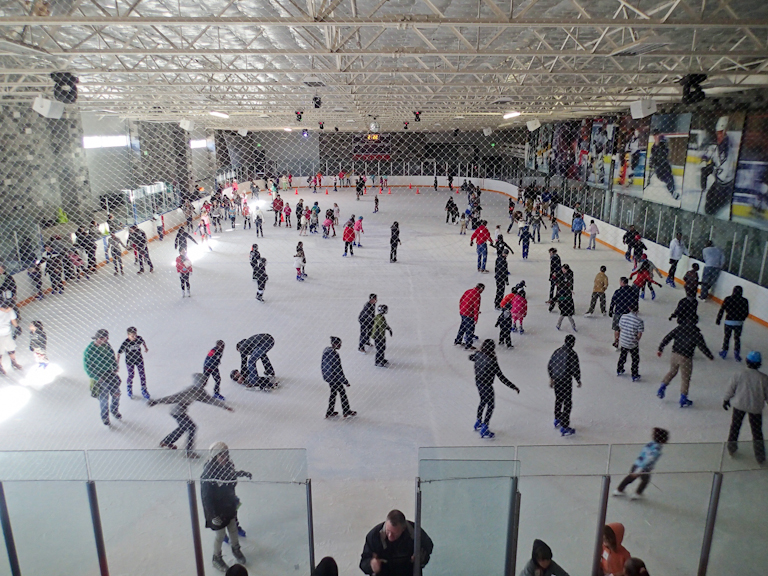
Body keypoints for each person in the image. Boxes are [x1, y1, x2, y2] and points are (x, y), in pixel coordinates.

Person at [149, 373, 233, 457]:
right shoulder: (189, 391)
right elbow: (172, 398)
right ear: (198, 382)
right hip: (176, 412)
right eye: (203, 382)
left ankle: (166, 442)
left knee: (183, 427)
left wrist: (224, 406)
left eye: (205, 382)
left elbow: (210, 400)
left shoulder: (200, 392)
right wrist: (156, 401)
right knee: (191, 427)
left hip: (181, 412)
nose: (205, 384)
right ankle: (188, 451)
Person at [201, 442, 251, 572]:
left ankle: (236, 548)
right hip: (217, 510)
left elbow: (231, 475)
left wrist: (242, 473)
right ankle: (216, 557)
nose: (224, 458)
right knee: (220, 534)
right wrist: (212, 515)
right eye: (221, 456)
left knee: (233, 529)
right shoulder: (208, 474)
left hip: (228, 506)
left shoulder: (228, 466)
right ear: (214, 457)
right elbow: (206, 498)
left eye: (226, 455)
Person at [656, 318, 714, 407]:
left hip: (674, 355)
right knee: (685, 378)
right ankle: (683, 398)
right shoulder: (696, 334)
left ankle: (662, 387)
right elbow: (703, 347)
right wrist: (710, 356)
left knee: (672, 371)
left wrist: (660, 348)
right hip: (686, 358)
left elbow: (668, 337)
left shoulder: (679, 328)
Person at [723, 351, 768, 464]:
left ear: (747, 361)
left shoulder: (739, 374)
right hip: (755, 408)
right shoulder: (763, 378)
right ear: (759, 364)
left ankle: (731, 448)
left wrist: (726, 399)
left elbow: (731, 388)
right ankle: (760, 457)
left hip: (739, 405)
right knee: (757, 432)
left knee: (735, 427)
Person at [470, 339, 520, 438]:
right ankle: (485, 426)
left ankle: (478, 421)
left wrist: (477, 354)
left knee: (482, 401)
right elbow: (501, 377)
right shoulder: (492, 361)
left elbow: (471, 357)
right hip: (487, 385)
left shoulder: (478, 355)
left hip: (479, 383)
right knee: (491, 405)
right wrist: (513, 386)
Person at [360, 509, 433, 576]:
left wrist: (421, 558)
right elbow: (363, 563)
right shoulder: (374, 536)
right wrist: (371, 565)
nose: (390, 536)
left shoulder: (415, 533)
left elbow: (428, 548)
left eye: (395, 533)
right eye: (388, 531)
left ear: (403, 529)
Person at [613, 428, 669, 499]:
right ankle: (637, 493)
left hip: (637, 463)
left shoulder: (651, 443)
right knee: (644, 481)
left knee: (630, 478)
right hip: (644, 468)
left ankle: (619, 489)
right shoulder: (657, 449)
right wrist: (640, 469)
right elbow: (648, 459)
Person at [83, 329, 121, 426]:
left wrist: (115, 366)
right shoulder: (89, 351)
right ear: (99, 338)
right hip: (99, 376)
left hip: (110, 373)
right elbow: (87, 367)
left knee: (116, 393)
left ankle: (114, 410)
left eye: (107, 338)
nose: (107, 340)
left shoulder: (107, 345)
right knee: (104, 399)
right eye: (104, 338)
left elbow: (112, 356)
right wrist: (95, 377)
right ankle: (105, 417)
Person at [548, 334, 582, 436]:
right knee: (567, 402)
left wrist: (552, 377)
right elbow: (575, 368)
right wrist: (578, 380)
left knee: (558, 399)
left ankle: (557, 418)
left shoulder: (557, 351)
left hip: (557, 379)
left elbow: (550, 364)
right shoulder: (572, 354)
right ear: (573, 343)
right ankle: (564, 426)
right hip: (565, 380)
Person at [322, 336, 356, 418]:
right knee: (342, 393)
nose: (340, 345)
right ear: (335, 344)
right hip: (334, 378)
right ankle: (346, 410)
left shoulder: (326, 351)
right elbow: (338, 370)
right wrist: (345, 381)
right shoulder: (334, 355)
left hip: (329, 377)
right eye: (339, 344)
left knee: (333, 393)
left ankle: (329, 412)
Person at [716, 286, 749, 361]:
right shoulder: (744, 301)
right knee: (737, 338)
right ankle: (737, 354)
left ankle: (724, 351)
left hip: (729, 321)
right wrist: (741, 319)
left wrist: (718, 319)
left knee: (727, 337)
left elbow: (722, 309)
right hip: (739, 323)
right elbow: (746, 312)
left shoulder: (728, 299)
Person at [117, 326, 150, 400]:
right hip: (130, 361)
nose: (134, 337)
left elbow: (143, 342)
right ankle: (129, 389)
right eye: (132, 336)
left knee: (142, 375)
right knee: (131, 375)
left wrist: (146, 348)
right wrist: (117, 362)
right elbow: (119, 352)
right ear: (128, 335)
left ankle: (144, 390)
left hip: (139, 359)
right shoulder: (126, 343)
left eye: (135, 335)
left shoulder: (139, 338)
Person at [616, 303, 643, 381]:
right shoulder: (639, 321)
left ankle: (619, 369)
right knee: (635, 359)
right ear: (637, 310)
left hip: (624, 341)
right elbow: (639, 333)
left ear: (629, 308)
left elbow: (620, 328)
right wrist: (636, 339)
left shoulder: (623, 317)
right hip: (632, 343)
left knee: (623, 356)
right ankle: (634, 374)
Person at [609, 277, 638, 349]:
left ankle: (616, 341)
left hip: (619, 312)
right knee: (627, 328)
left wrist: (611, 309)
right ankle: (627, 342)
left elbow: (613, 301)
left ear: (622, 282)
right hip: (628, 313)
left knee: (617, 328)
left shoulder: (618, 292)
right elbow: (635, 302)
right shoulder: (632, 292)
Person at [455, 284, 484, 350]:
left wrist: (462, 309)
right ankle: (468, 345)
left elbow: (461, 300)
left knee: (463, 326)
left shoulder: (469, 291)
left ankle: (458, 340)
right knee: (470, 329)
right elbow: (476, 306)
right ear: (481, 289)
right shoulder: (477, 295)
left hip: (463, 312)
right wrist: (476, 318)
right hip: (469, 314)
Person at [0, 300, 22, 374]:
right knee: (0, 351)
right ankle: (0, 366)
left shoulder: (10, 310)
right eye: (9, 308)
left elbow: (13, 319)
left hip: (8, 332)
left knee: (11, 349)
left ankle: (14, 362)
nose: (10, 310)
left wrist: (17, 327)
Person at [555, 264, 576, 332]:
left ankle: (559, 325)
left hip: (565, 306)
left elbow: (570, 282)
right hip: (567, 306)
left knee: (563, 316)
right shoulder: (562, 273)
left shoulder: (569, 274)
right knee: (568, 317)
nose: (562, 270)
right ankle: (572, 326)